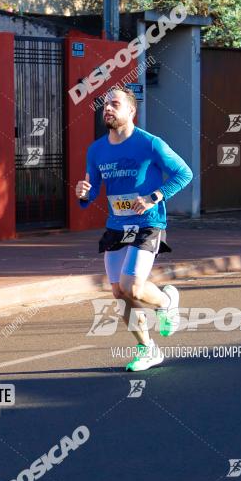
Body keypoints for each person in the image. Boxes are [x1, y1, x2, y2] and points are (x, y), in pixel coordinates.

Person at [76, 87, 193, 371]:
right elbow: (90, 195)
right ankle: (147, 349)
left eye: (115, 104)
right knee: (119, 292)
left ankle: (166, 301)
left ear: (131, 111)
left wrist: (154, 196)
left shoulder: (150, 144)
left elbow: (184, 173)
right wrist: (83, 193)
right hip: (117, 224)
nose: (108, 109)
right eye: (105, 105)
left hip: (148, 223)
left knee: (133, 287)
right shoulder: (97, 149)